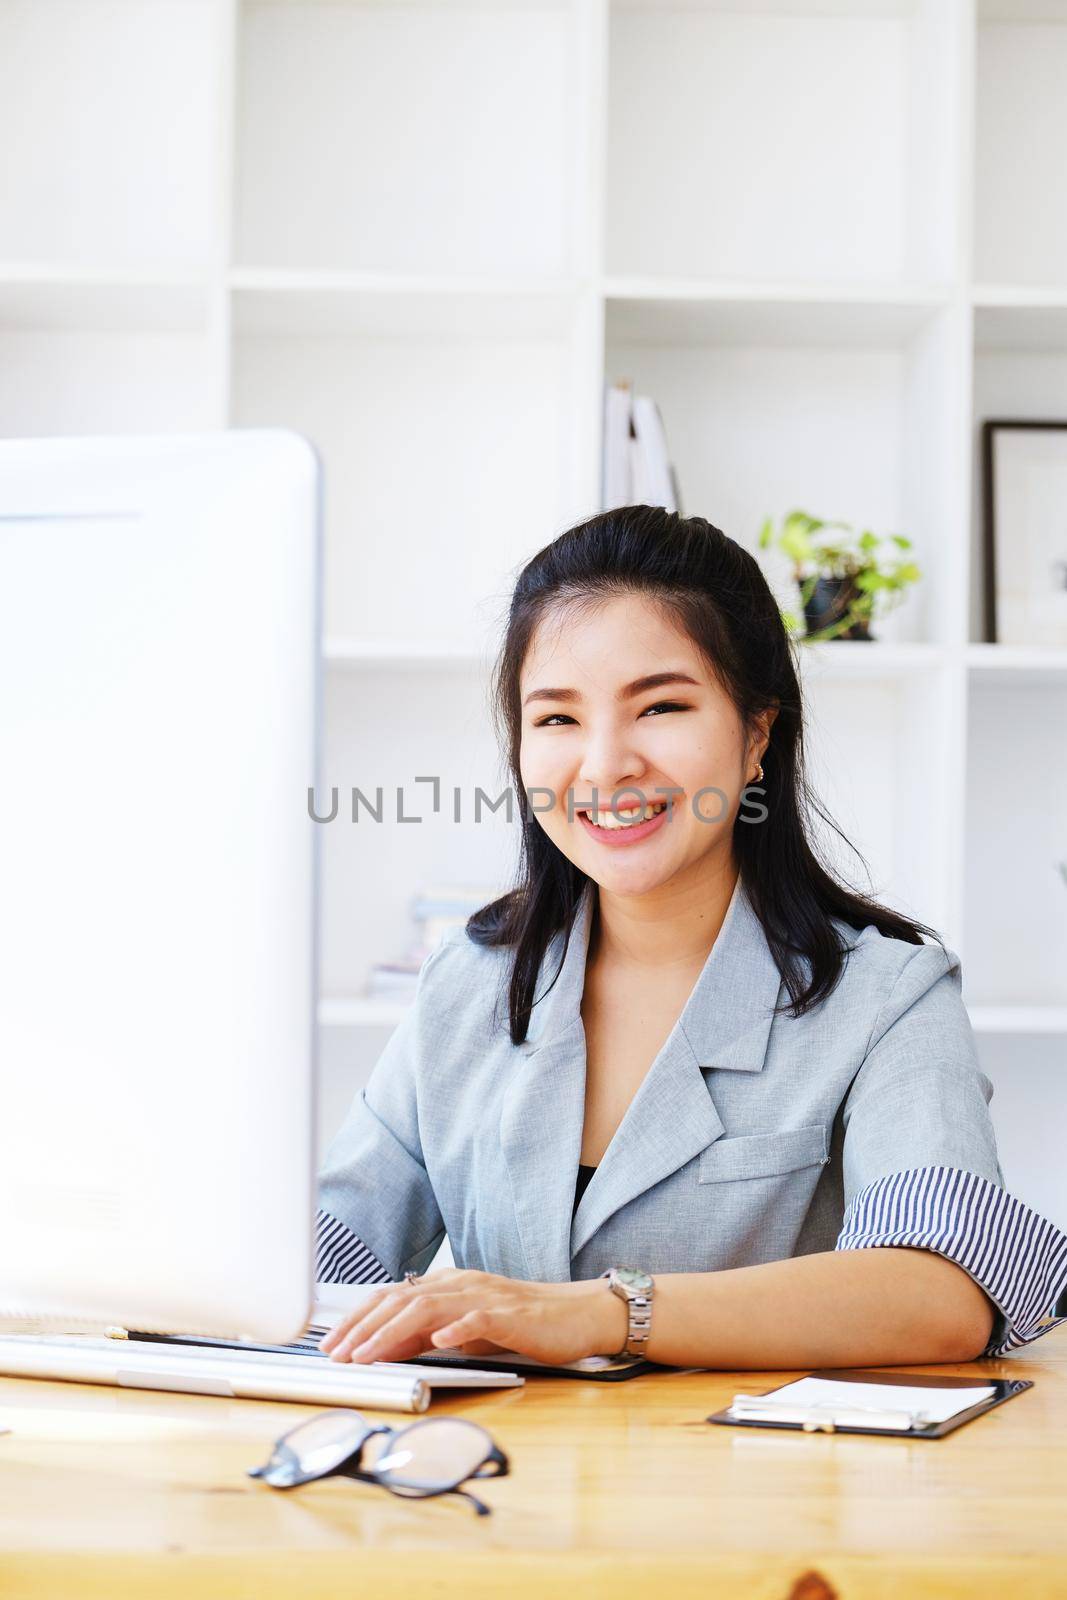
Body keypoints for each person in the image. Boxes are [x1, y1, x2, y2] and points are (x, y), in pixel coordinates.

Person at [315, 506, 1067, 1370]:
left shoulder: (886, 995)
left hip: (760, 1489)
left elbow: (942, 1292)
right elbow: (328, 1255)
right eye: (556, 719)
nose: (604, 766)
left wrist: (606, 1313)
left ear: (756, 734)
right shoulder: (469, 981)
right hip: (498, 1485)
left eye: (660, 706)